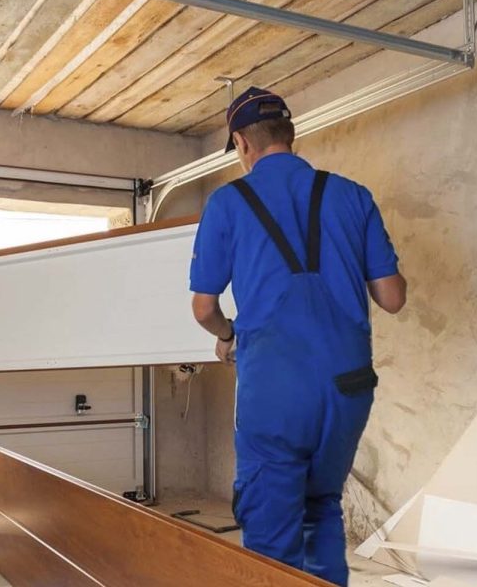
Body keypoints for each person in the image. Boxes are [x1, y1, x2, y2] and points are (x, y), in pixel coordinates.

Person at [190, 87, 406, 586]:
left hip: (276, 390)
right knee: (320, 507)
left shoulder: (228, 203)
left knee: (270, 531)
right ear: (291, 135)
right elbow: (392, 298)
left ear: (242, 143)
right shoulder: (353, 195)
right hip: (348, 388)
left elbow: (204, 309)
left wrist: (228, 336)